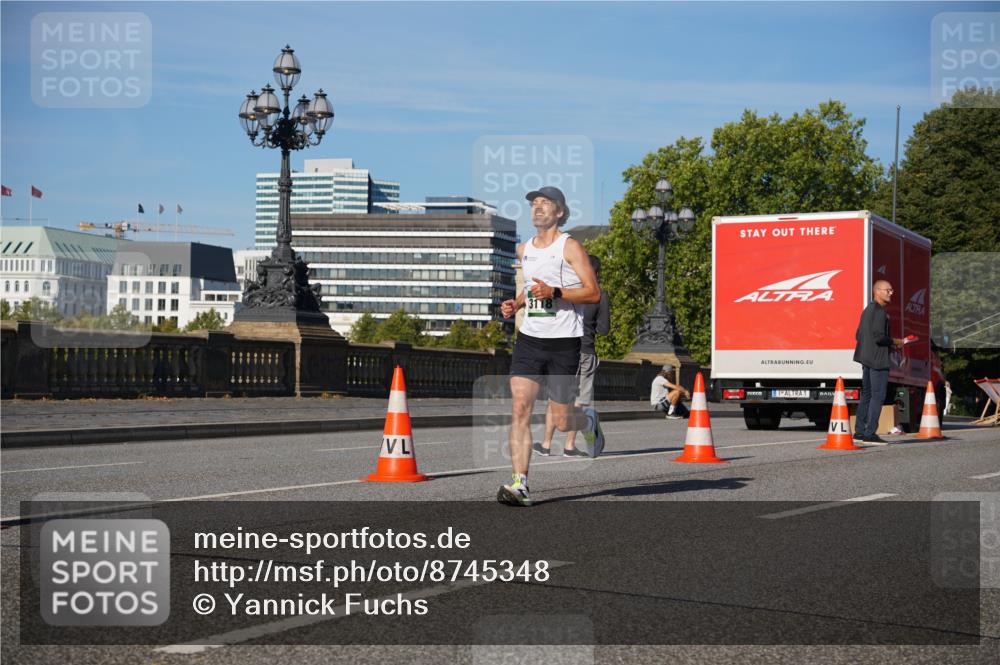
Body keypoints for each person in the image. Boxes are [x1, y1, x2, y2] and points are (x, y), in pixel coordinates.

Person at [497, 186, 603, 507]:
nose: (537, 208)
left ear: (559, 212)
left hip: (563, 344)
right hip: (529, 340)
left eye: (545, 203)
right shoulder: (523, 249)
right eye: (534, 203)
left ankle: (586, 422)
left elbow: (593, 293)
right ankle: (521, 484)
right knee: (520, 410)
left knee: (560, 421)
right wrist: (516, 305)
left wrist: (556, 292)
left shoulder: (570, 248)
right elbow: (532, 288)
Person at [535, 254, 611, 457]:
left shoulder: (564, 291)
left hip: (562, 350)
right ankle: (569, 445)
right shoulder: (599, 295)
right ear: (597, 274)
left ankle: (546, 444)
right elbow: (604, 329)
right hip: (585, 351)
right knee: (579, 401)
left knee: (556, 398)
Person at [853, 280, 904, 444]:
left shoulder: (867, 310)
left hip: (866, 358)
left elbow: (858, 334)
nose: (891, 293)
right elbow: (879, 337)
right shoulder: (881, 312)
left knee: (866, 395)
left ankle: (859, 432)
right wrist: (895, 342)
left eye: (891, 290)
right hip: (878, 360)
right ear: (877, 291)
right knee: (878, 396)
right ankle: (870, 433)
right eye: (888, 290)